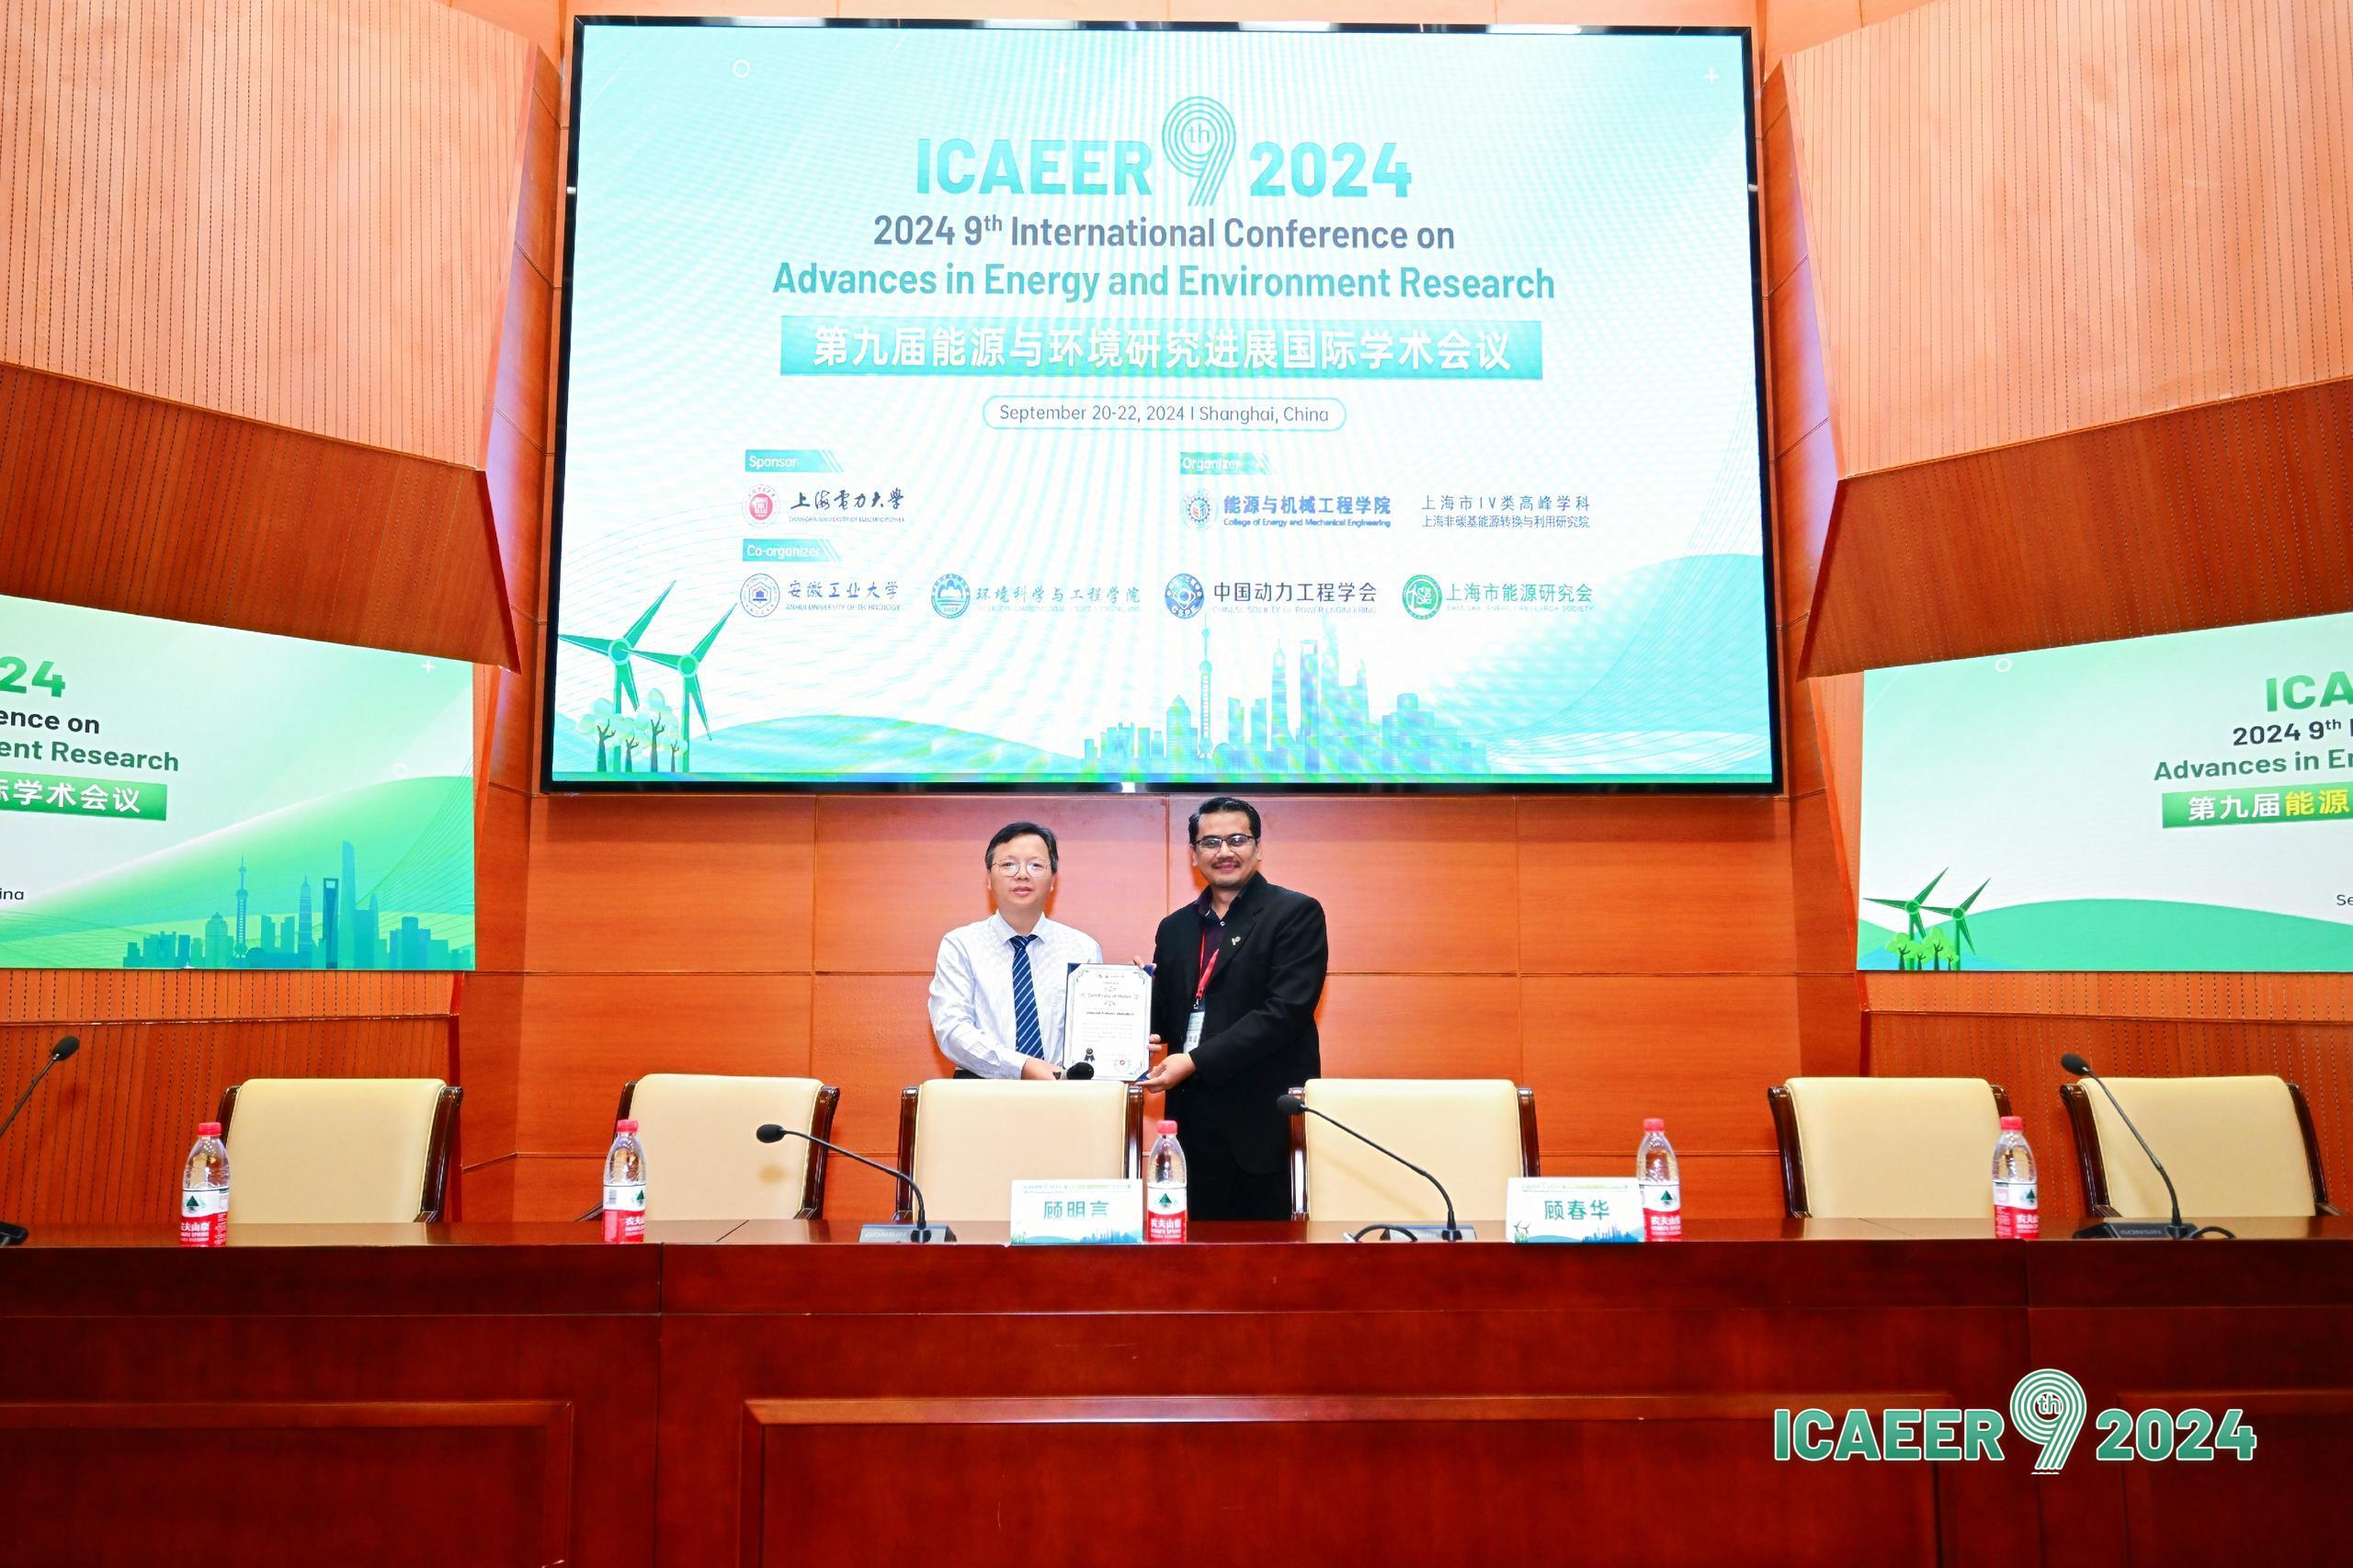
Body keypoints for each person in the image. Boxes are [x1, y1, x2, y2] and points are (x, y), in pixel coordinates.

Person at [1140, 795, 1328, 1220]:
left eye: (1237, 839)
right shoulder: (1174, 928)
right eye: (1210, 842)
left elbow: (1284, 1013)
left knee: (1268, 1255)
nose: (1224, 851)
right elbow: (1168, 1019)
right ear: (1194, 854)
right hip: (1190, 1126)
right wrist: (1136, 998)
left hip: (1262, 1127)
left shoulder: (1295, 913)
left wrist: (1195, 1061)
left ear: (1258, 848)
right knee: (1190, 1251)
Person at [928, 821, 1103, 1079]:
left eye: (1036, 865)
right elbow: (951, 1030)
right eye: (1009, 864)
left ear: (1053, 881)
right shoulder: (961, 945)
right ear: (989, 879)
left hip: (1063, 1091)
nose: (1022, 874)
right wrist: (1022, 1066)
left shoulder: (1083, 948)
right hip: (980, 1091)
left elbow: (1094, 1030)